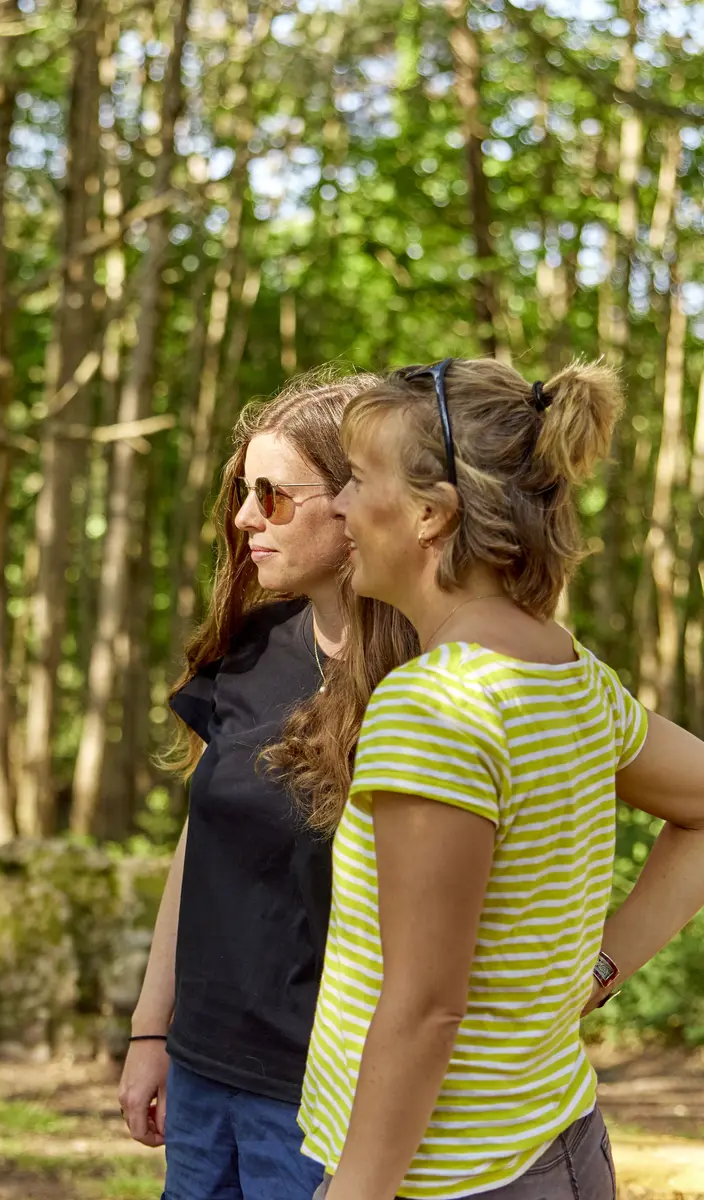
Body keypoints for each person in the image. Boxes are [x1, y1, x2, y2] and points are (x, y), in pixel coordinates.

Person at [297, 356, 704, 1200]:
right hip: (556, 1142)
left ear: (430, 517)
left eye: (357, 479)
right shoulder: (567, 671)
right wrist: (602, 969)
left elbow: (423, 1008)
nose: (336, 504)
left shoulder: (434, 707)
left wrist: (355, 1190)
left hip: (449, 1180)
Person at [117, 370, 416, 1200]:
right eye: (243, 493)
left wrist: (595, 970)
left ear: (355, 504)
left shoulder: (438, 685)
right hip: (204, 1075)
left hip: (329, 1096)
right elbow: (201, 842)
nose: (245, 517)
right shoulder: (248, 648)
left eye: (273, 496)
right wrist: (152, 1031)